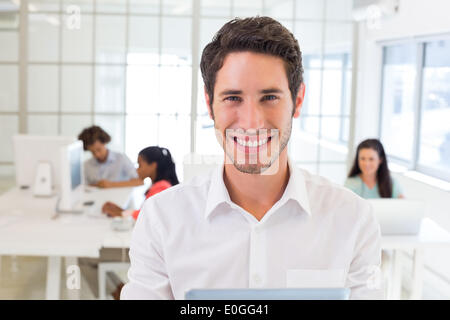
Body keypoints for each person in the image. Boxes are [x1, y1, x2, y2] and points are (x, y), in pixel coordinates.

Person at [121, 17, 383, 300]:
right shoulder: (162, 218)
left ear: (298, 99)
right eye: (233, 97)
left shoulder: (353, 219)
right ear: (210, 105)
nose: (251, 122)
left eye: (269, 97)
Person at [102, 146, 179, 220]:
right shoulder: (161, 185)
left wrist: (121, 214)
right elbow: (145, 213)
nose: (137, 170)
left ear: (153, 166)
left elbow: (146, 217)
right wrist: (120, 211)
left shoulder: (161, 188)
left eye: (140, 165)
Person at [78, 125, 143, 188]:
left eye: (99, 149)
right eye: (92, 152)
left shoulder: (121, 159)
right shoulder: (86, 165)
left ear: (105, 143)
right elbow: (82, 187)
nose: (97, 154)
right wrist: (97, 185)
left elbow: (138, 182)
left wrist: (111, 184)